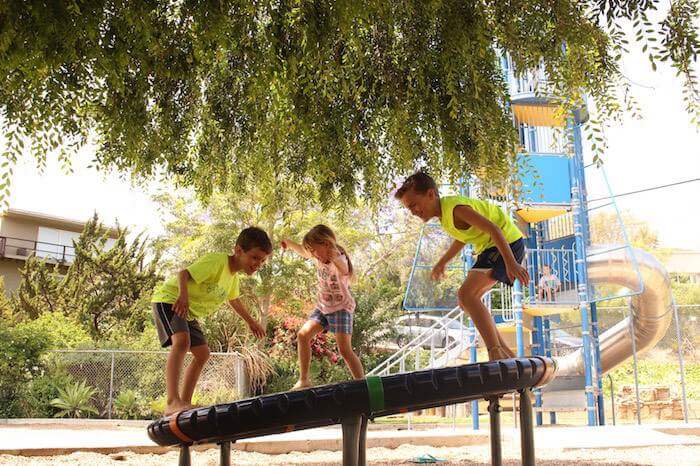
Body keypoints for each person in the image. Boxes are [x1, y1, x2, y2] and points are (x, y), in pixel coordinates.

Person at [394, 171, 529, 361]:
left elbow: (493, 228)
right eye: (409, 208)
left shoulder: (456, 208)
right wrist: (443, 261)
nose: (413, 211)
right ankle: (508, 356)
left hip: (506, 243)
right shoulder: (445, 216)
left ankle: (495, 352)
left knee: (467, 295)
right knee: (466, 300)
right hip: (491, 247)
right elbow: (462, 238)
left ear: (431, 194)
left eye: (414, 205)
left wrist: (511, 263)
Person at [151, 227, 272, 415]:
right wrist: (183, 296)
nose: (258, 264)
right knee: (182, 342)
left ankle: (184, 403)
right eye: (254, 257)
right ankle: (172, 401)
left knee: (202, 354)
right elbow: (183, 274)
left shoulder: (233, 278)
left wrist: (252, 322)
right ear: (238, 250)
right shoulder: (217, 262)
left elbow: (234, 301)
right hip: (171, 300)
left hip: (188, 312)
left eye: (262, 260)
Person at [281, 225, 364, 389]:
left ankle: (362, 385)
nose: (312, 254)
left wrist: (334, 256)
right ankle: (304, 380)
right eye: (310, 251)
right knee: (303, 335)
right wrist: (288, 243)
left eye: (314, 249)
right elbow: (303, 251)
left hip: (341, 308)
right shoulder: (318, 257)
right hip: (323, 307)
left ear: (326, 244)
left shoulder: (338, 258)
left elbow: (345, 269)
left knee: (345, 350)